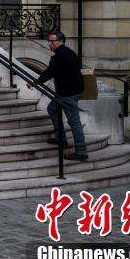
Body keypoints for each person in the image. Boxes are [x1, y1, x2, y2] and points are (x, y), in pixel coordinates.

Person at [35, 29, 88, 161]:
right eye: (49, 41)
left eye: (52, 41)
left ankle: (81, 152)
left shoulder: (58, 57)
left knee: (74, 122)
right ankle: (61, 139)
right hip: (72, 92)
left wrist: (36, 82)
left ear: (60, 41)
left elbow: (50, 72)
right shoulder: (70, 53)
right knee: (52, 108)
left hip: (67, 94)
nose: (49, 44)